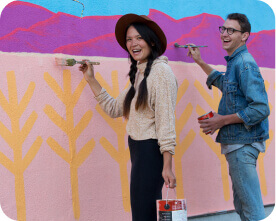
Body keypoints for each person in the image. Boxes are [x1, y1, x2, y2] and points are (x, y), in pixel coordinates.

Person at [79, 13, 178, 221]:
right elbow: (115, 108)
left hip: (151, 152)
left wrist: (167, 165)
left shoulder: (161, 73)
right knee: (143, 213)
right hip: (139, 150)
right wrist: (91, 79)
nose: (133, 43)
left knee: (144, 214)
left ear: (151, 40)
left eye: (138, 38)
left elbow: (166, 121)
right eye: (129, 39)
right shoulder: (140, 74)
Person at [186, 13, 269, 221]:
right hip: (238, 145)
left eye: (231, 30)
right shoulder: (235, 62)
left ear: (245, 36)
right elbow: (227, 86)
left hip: (242, 146)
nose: (224, 33)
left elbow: (260, 109)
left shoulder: (245, 64)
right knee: (242, 207)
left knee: (251, 210)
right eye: (223, 29)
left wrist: (221, 120)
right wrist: (200, 62)